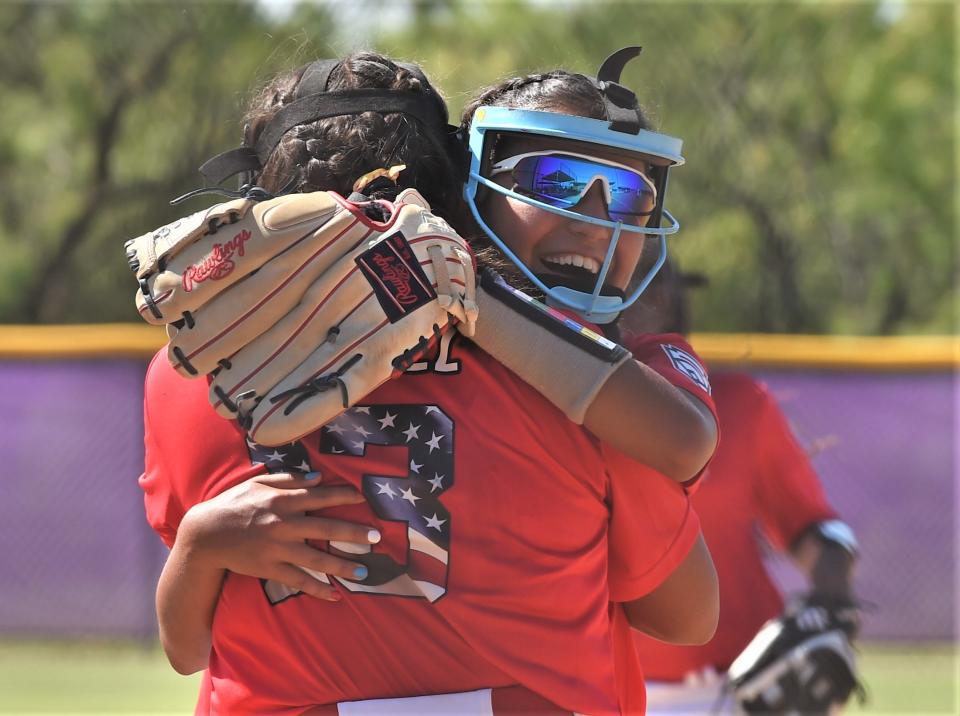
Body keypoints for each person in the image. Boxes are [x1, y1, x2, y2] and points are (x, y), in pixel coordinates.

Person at [140, 50, 718, 715]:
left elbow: (187, 647)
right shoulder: (590, 390)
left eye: (630, 196)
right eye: (556, 181)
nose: (597, 217)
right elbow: (688, 613)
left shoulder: (193, 372)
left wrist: (198, 544)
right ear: (451, 188)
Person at [620, 260, 859, 714]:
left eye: (652, 273)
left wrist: (834, 596)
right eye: (630, 275)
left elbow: (816, 530)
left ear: (674, 295)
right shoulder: (560, 405)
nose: (645, 290)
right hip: (608, 687)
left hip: (738, 688)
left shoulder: (740, 406)